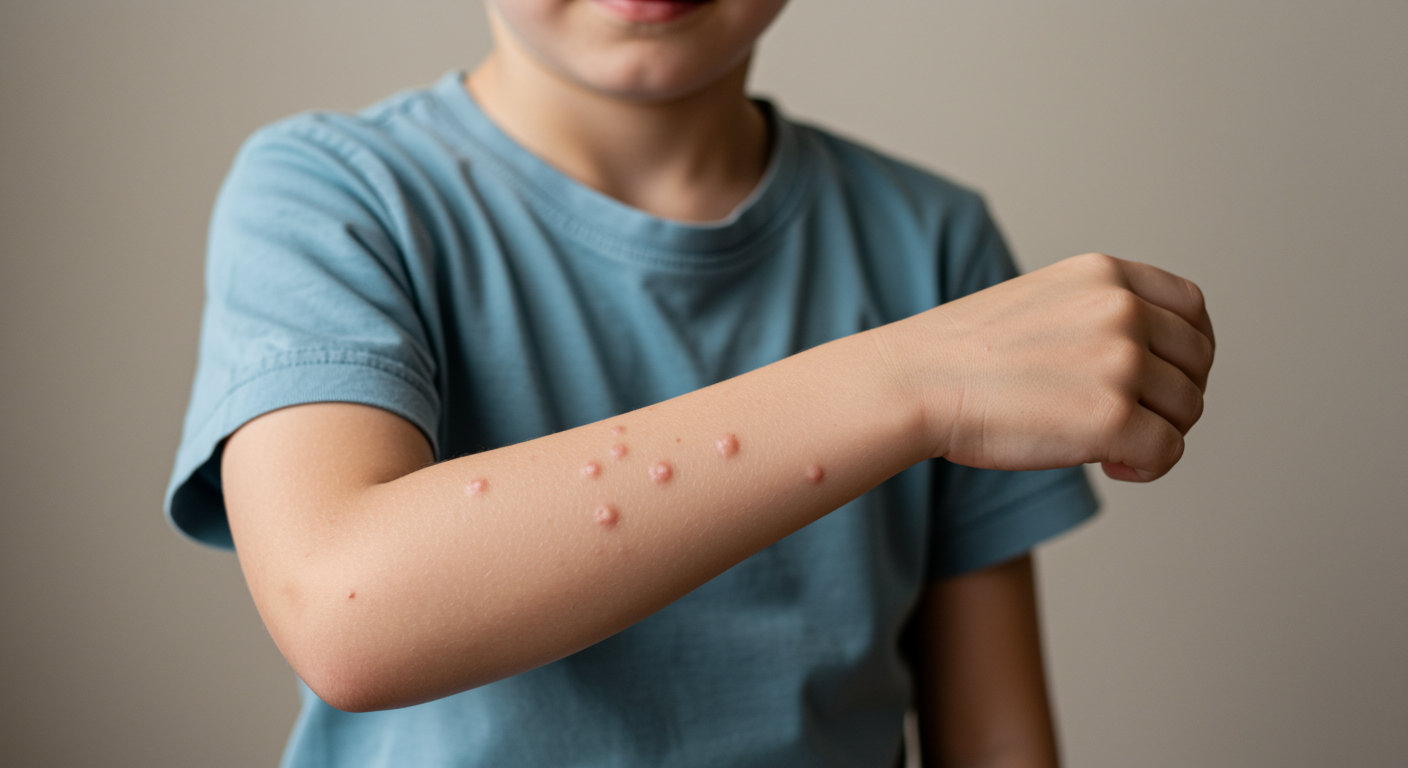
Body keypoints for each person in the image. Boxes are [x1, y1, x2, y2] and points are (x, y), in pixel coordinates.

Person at [165, 1, 1214, 766]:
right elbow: (349, 609)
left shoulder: (934, 245)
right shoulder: (332, 194)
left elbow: (992, 738)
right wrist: (911, 377)